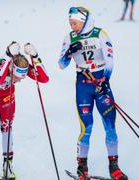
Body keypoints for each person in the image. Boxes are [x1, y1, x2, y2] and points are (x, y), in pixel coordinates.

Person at [59, 7, 128, 180]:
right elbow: (61, 64)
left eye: (74, 23)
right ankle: (82, 169)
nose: (72, 26)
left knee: (110, 127)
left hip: (101, 84)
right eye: (70, 23)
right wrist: (68, 53)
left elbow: (110, 60)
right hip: (83, 86)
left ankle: (114, 167)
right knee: (86, 127)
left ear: (84, 20)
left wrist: (105, 80)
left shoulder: (100, 34)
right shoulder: (70, 37)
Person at [0, 42, 49, 180]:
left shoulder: (20, 66)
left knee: (7, 127)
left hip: (6, 94)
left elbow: (44, 78)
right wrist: (7, 55)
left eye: (21, 78)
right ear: (11, 67)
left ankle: (8, 165)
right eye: (16, 77)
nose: (18, 80)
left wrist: (35, 57)